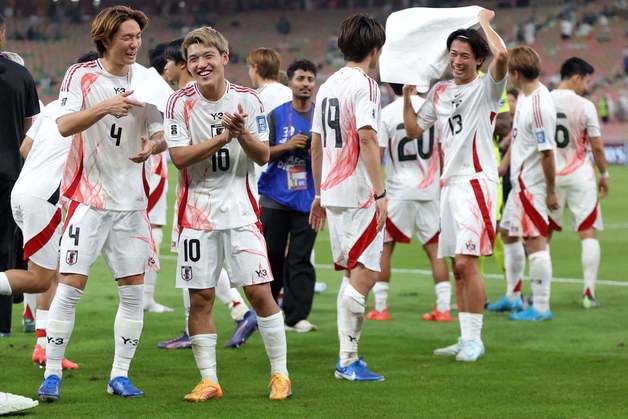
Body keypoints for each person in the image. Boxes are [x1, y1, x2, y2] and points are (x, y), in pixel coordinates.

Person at [37, 6, 167, 401]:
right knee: (71, 286)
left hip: (130, 203)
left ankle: (120, 374)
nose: (134, 45)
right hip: (87, 199)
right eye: (127, 37)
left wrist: (152, 145)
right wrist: (104, 108)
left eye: (138, 38)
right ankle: (53, 373)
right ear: (106, 38)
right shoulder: (82, 75)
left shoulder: (148, 81)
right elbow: (63, 125)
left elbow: (160, 133)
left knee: (132, 292)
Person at [165, 26, 290, 401]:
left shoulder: (249, 101)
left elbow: (264, 155)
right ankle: (209, 380)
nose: (201, 65)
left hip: (240, 211)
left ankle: (280, 374)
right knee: (200, 297)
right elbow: (178, 157)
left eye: (207, 57)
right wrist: (221, 137)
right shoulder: (179, 104)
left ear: (224, 57)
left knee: (259, 292)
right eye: (193, 60)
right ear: (187, 66)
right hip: (196, 215)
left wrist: (242, 135)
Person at [403, 9, 508, 362]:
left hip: (476, 182)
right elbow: (415, 130)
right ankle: (465, 338)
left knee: (466, 263)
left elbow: (504, 55)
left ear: (479, 59)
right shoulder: (440, 91)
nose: (457, 61)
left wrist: (485, 24)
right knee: (456, 266)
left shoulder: (487, 88)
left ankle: (476, 340)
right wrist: (406, 97)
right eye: (453, 54)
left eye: (465, 55)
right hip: (448, 185)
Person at [157, 37, 258, 350]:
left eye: (168, 63)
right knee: (199, 269)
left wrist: (230, 136)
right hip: (200, 197)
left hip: (217, 198)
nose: (165, 70)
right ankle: (235, 312)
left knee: (204, 269)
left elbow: (184, 152)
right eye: (192, 58)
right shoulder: (180, 101)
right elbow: (178, 144)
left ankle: (237, 311)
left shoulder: (196, 98)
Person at [3, 52, 99, 371]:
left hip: (24, 191)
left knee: (54, 272)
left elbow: (24, 149)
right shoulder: (88, 114)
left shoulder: (52, 109)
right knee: (40, 279)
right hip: (45, 199)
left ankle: (43, 346)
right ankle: (43, 344)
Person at [309, 13, 387, 381]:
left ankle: (348, 357)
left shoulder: (327, 85)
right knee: (367, 273)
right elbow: (368, 137)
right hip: (358, 191)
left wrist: (319, 192)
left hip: (334, 191)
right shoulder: (366, 86)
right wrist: (380, 191)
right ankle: (348, 359)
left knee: (353, 272)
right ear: (376, 48)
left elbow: (316, 146)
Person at [369, 83, 451, 322]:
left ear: (390, 86)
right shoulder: (433, 108)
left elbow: (378, 154)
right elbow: (443, 148)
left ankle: (381, 308)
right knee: (435, 250)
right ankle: (444, 308)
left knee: (385, 248)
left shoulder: (386, 114)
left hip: (398, 191)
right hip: (430, 190)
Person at [492, 45, 557, 322]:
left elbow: (547, 152)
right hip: (518, 182)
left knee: (535, 241)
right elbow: (519, 139)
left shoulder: (540, 104)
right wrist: (503, 166)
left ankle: (541, 306)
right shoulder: (525, 98)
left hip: (532, 185)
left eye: (509, 73)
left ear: (516, 73)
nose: (507, 77)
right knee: (507, 232)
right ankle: (513, 295)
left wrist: (551, 191)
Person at [258, 59, 318, 332]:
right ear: (290, 82)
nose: (305, 84)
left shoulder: (321, 118)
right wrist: (288, 146)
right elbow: (261, 154)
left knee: (300, 257)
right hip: (276, 197)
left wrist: (313, 149)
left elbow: (331, 155)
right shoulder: (276, 115)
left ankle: (297, 317)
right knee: (271, 256)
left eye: (309, 79)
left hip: (309, 199)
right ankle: (268, 313)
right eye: (300, 79)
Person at [549, 57, 609, 308]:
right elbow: (596, 145)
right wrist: (604, 174)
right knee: (587, 233)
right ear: (575, 77)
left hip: (550, 174)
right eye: (585, 80)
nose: (585, 86)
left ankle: (540, 296)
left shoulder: (542, 100)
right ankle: (588, 293)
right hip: (580, 175)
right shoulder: (585, 105)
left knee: (542, 236)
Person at [0, 13, 40, 338]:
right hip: (11, 173)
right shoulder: (21, 75)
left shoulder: (21, 74)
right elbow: (31, 131)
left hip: (11, 175)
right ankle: (2, 324)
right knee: (4, 247)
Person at [247, 47, 292, 114]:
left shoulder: (255, 98)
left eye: (249, 68)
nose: (249, 72)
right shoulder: (292, 94)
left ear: (255, 68)